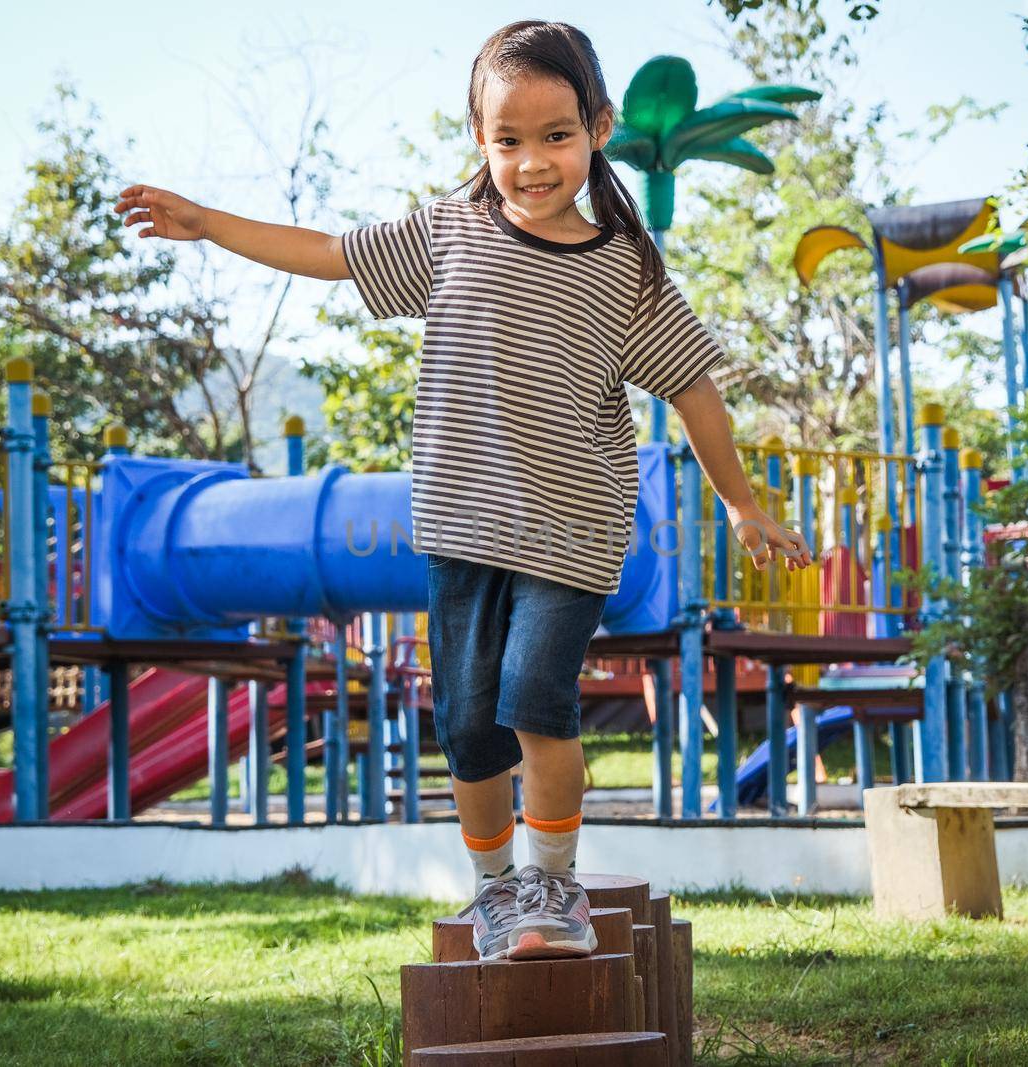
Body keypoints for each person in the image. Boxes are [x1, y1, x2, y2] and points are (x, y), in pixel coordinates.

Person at [114, 19, 812, 962]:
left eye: (556, 135)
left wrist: (737, 498)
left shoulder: (625, 267)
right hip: (460, 527)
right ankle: (494, 893)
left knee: (537, 701)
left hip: (572, 532)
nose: (532, 161)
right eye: (508, 139)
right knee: (470, 726)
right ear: (478, 140)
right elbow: (329, 252)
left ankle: (553, 889)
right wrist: (209, 224)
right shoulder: (451, 231)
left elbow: (691, 384)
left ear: (598, 127)